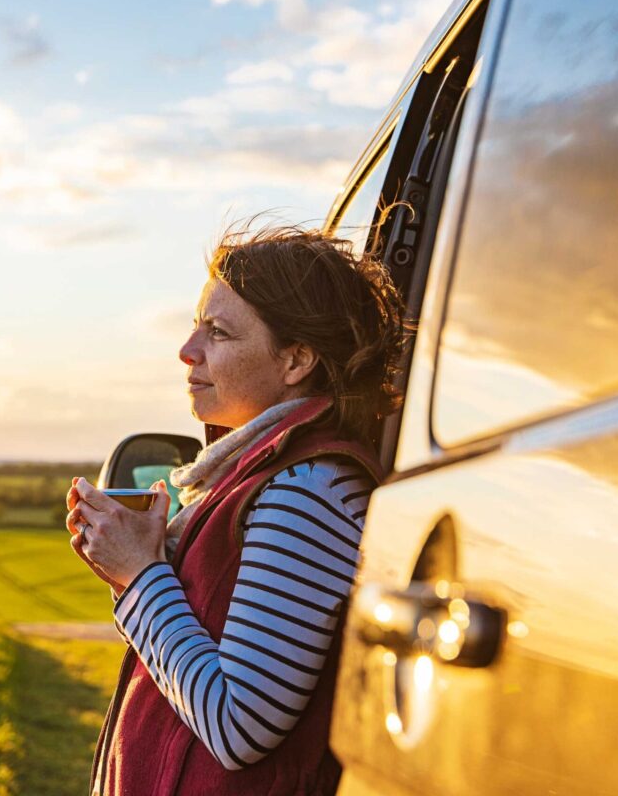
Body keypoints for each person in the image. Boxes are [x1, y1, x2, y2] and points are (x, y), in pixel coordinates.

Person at [65, 225, 409, 795]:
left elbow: (240, 725)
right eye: (197, 324)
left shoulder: (307, 489)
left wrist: (139, 574)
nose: (187, 350)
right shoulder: (269, 474)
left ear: (297, 359)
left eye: (218, 332)